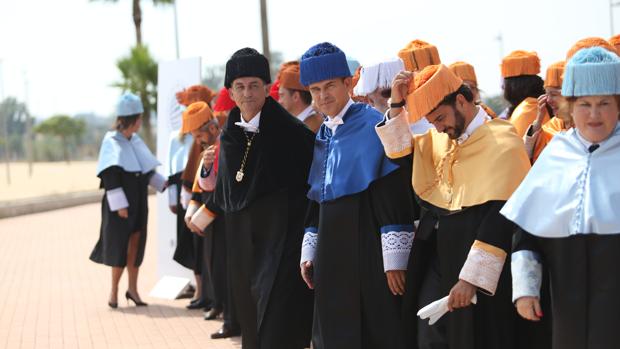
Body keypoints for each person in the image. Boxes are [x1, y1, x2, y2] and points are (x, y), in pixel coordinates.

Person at [375, 64, 531, 348]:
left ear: (462, 100)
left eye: (440, 118)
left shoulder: (504, 142)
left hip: (482, 264)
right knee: (429, 336)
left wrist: (471, 279)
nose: (438, 127)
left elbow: (501, 217)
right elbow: (400, 155)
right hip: (438, 257)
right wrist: (396, 103)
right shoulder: (440, 138)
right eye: (432, 122)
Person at [297, 42, 415, 349]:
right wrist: (309, 252)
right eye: (315, 89)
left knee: (372, 330)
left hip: (368, 251)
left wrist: (395, 261)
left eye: (330, 86)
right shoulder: (323, 133)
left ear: (348, 83)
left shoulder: (371, 124)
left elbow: (392, 195)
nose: (323, 96)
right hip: (330, 256)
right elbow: (316, 198)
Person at [502, 47, 620, 349]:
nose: (594, 115)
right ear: (569, 106)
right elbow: (527, 234)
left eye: (604, 103)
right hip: (566, 307)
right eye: (585, 104)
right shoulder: (555, 154)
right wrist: (526, 290)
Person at [212, 47, 314, 349]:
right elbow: (226, 190)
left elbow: (309, 192)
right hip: (243, 249)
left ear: (267, 88)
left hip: (281, 247)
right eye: (240, 87)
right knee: (252, 328)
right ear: (230, 91)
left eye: (254, 85)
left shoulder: (293, 133)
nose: (247, 93)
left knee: (279, 329)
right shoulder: (229, 134)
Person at [90, 93, 167, 308]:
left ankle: (132, 290)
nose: (142, 122)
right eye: (140, 118)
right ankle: (113, 292)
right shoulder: (111, 141)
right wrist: (120, 205)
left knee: (136, 245)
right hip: (120, 206)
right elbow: (110, 176)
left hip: (139, 202)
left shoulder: (136, 141)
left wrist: (164, 184)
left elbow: (145, 170)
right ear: (131, 118)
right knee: (119, 248)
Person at [169, 85, 216, 309]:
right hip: (192, 197)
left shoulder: (215, 139)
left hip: (210, 203)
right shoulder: (184, 139)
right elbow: (189, 173)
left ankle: (210, 295)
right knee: (198, 249)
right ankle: (202, 290)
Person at [501, 50, 549, 136]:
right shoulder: (533, 105)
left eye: (505, 83)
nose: (503, 87)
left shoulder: (528, 109)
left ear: (513, 85)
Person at [277, 61, 323, 133]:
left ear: (296, 96)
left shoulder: (314, 128)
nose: (279, 101)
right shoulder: (302, 124)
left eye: (282, 95)